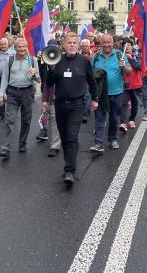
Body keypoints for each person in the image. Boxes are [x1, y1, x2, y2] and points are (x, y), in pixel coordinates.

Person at [44, 32, 98, 184]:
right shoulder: (56, 60)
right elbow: (48, 83)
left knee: (72, 136)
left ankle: (69, 170)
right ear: (64, 44)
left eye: (75, 43)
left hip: (77, 104)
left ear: (78, 44)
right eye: (69, 43)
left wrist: (95, 98)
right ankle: (69, 162)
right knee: (65, 138)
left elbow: (92, 81)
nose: (72, 45)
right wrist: (52, 70)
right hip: (60, 104)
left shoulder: (84, 61)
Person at [0, 38, 41, 158]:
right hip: (12, 93)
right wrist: (1, 95)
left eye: (24, 47)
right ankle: (6, 148)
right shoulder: (9, 60)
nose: (22, 49)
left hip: (27, 92)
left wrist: (34, 74)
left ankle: (22, 143)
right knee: (9, 120)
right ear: (15, 48)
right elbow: (5, 78)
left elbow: (38, 80)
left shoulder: (33, 60)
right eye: (19, 47)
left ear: (27, 47)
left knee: (26, 120)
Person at [90, 33, 131, 152]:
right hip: (100, 94)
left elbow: (129, 73)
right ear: (100, 44)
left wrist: (124, 66)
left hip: (117, 93)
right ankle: (98, 143)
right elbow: (91, 73)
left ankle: (113, 139)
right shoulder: (96, 56)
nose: (107, 44)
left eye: (109, 42)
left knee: (114, 118)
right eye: (104, 42)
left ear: (113, 43)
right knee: (99, 118)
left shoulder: (120, 55)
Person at [121, 42, 142, 131]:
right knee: (124, 103)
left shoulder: (137, 56)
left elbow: (139, 66)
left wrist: (131, 59)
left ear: (132, 47)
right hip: (125, 84)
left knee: (134, 104)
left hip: (135, 85)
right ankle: (123, 123)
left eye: (129, 45)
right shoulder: (120, 56)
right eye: (125, 45)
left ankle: (132, 120)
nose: (127, 47)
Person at [79, 39, 94, 123]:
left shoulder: (93, 55)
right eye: (83, 46)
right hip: (79, 79)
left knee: (88, 96)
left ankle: (85, 114)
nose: (85, 48)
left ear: (89, 46)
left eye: (86, 46)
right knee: (81, 97)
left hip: (89, 79)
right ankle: (80, 112)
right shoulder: (77, 54)